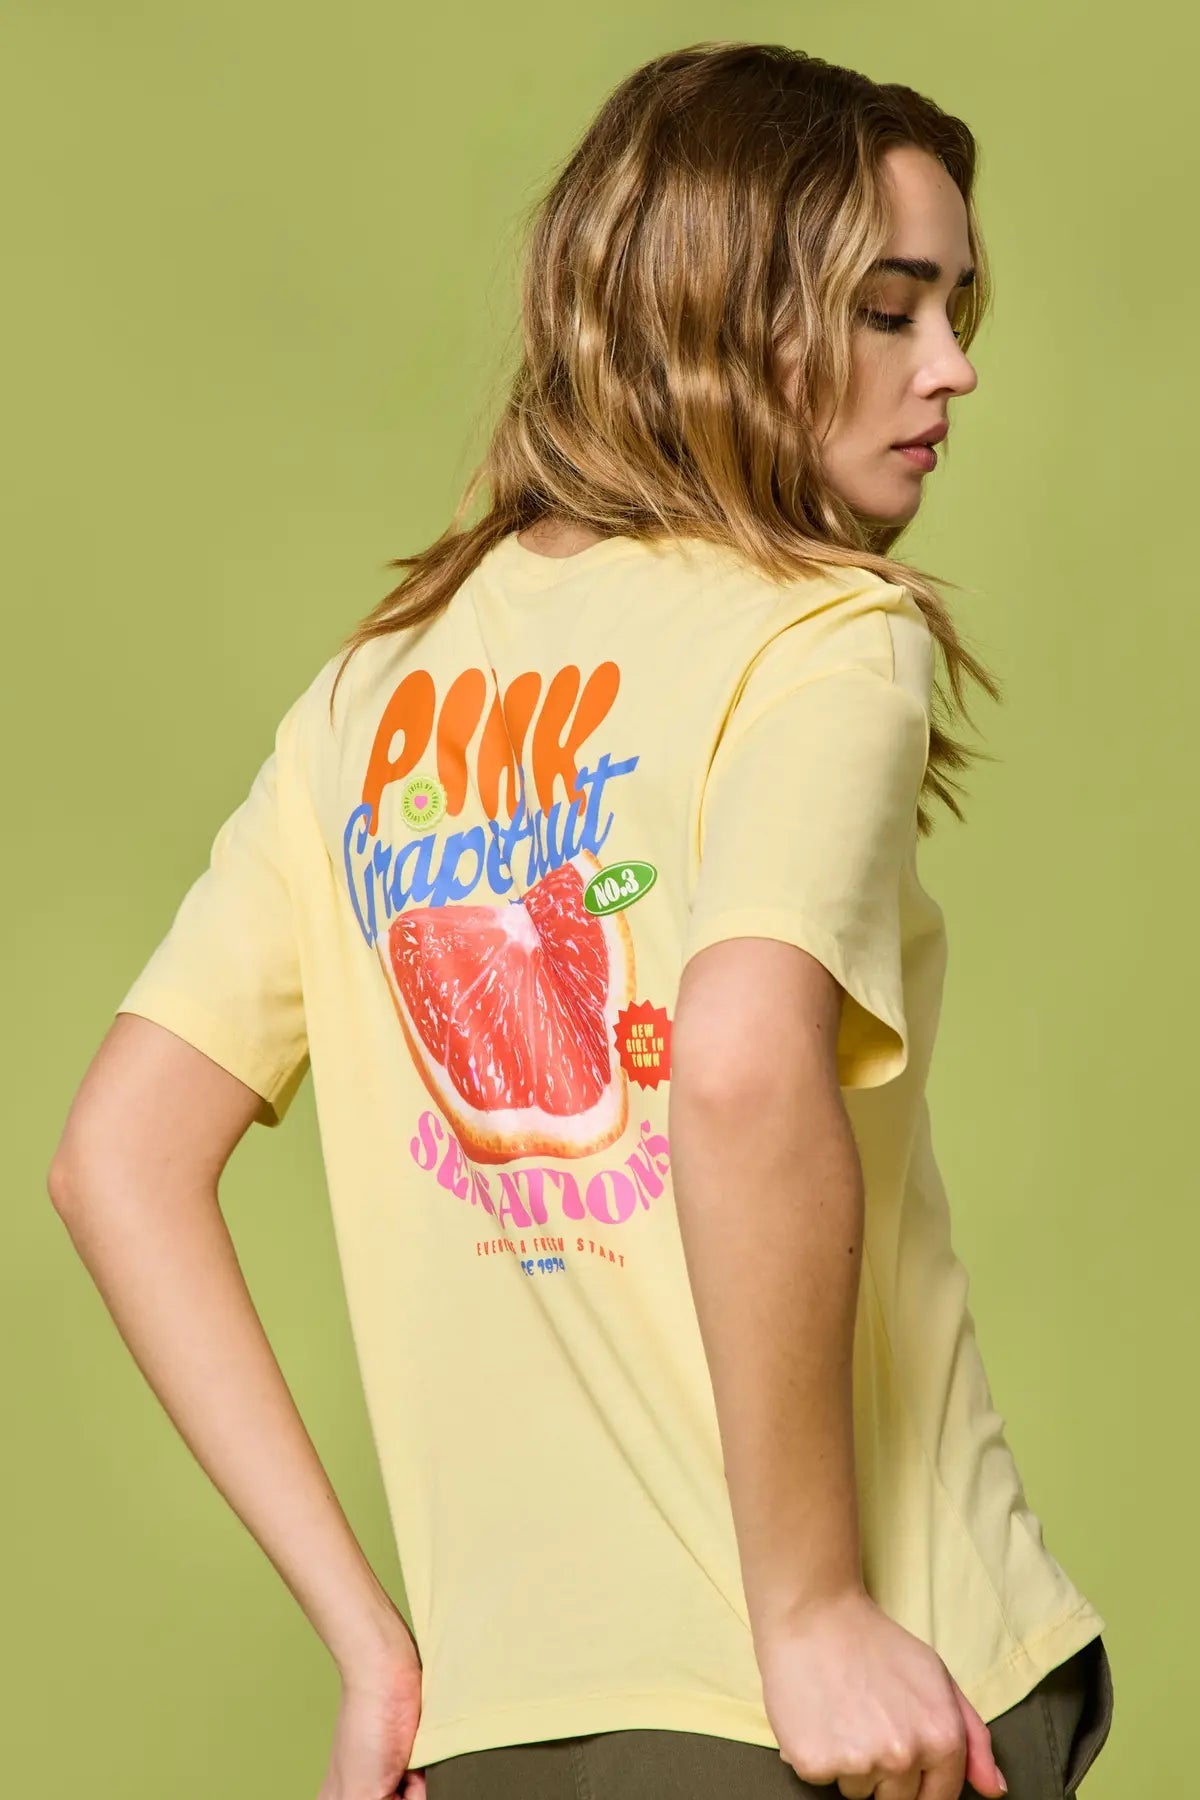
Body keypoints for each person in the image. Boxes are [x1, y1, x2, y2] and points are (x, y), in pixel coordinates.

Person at [47, 40, 1114, 1800]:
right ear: (724, 311)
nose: (954, 366)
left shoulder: (366, 702)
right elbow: (739, 1063)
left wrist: (374, 1652)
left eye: (957, 309)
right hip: (869, 1700)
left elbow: (117, 1157)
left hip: (503, 1725)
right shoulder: (822, 636)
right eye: (889, 312)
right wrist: (811, 1611)